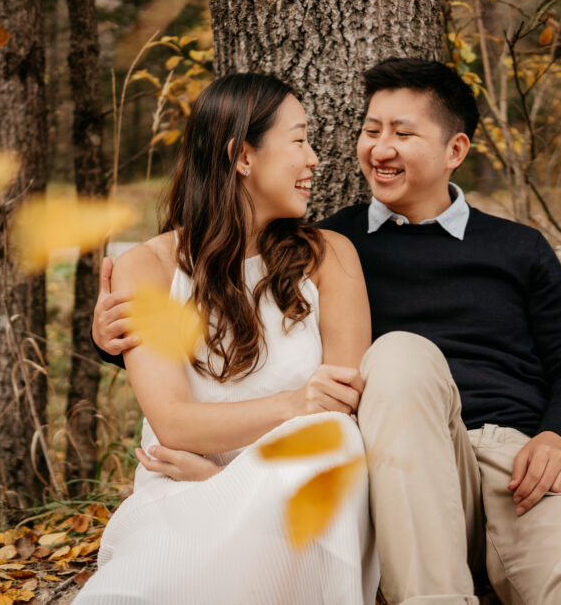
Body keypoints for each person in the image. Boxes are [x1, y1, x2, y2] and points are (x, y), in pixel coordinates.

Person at [93, 59, 561, 604]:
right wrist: (118, 341)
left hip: (519, 456)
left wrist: (559, 436)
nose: (378, 148)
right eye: (371, 130)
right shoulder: (329, 243)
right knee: (399, 356)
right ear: (242, 157)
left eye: (402, 132)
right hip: (406, 465)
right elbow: (229, 329)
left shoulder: (516, 248)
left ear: (456, 151)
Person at [74, 73, 379, 604]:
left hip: (303, 493)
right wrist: (293, 405)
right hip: (182, 493)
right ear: (242, 156)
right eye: (300, 140)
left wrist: (221, 477)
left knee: (334, 447)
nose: (313, 160)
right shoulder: (146, 269)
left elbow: (343, 415)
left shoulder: (331, 256)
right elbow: (172, 423)